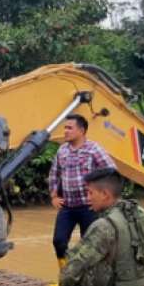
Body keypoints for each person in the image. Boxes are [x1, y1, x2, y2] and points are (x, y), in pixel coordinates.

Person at [49, 114, 116, 269]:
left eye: (69, 128)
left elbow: (112, 172)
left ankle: (88, 278)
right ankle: (65, 275)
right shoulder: (62, 150)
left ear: (81, 131)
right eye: (65, 128)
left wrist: (103, 199)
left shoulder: (93, 149)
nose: (65, 131)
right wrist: (54, 196)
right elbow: (54, 172)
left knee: (89, 245)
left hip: (89, 207)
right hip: (67, 206)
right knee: (59, 241)